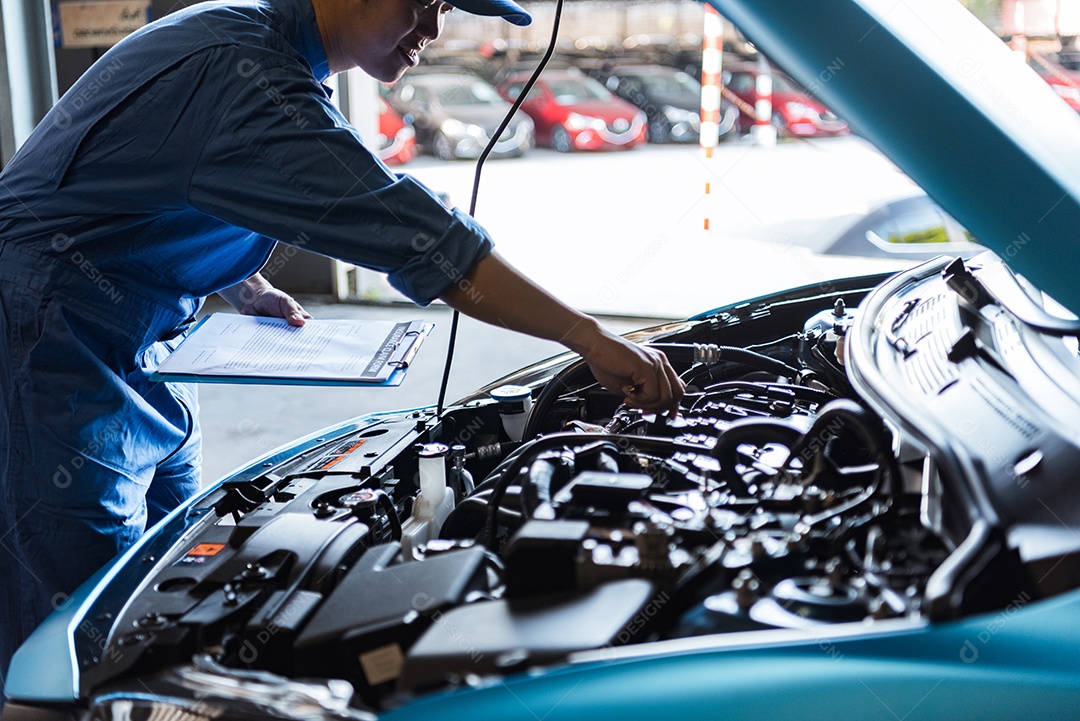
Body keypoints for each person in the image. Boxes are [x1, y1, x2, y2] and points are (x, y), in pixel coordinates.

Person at [0, 0, 684, 694]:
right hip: (50, 339)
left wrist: (246, 285)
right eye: (423, 2)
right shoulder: (241, 71)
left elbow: (165, 186)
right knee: (80, 626)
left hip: (152, 341)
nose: (433, 30)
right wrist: (588, 337)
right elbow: (415, 234)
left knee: (171, 573)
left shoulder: (259, 45)